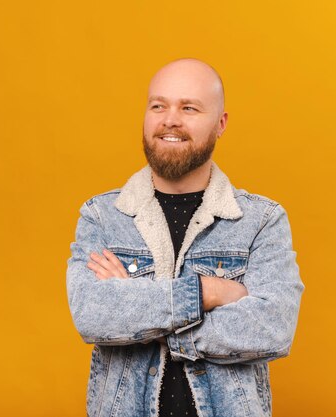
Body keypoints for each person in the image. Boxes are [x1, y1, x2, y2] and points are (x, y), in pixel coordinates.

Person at [66, 58, 304, 417]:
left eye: (189, 108)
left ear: (220, 124)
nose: (170, 119)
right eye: (158, 106)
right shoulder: (102, 216)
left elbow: (273, 328)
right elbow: (93, 314)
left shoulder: (261, 221)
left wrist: (138, 308)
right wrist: (208, 293)